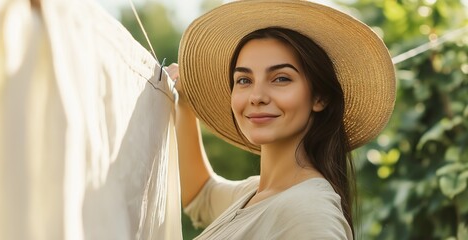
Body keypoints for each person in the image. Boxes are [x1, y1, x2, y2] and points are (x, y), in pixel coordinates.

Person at [167, 0, 396, 239]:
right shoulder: (256, 195)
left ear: (320, 97)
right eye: (244, 80)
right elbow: (200, 195)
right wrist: (185, 105)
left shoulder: (309, 213)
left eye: (281, 79)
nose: (256, 97)